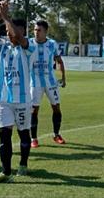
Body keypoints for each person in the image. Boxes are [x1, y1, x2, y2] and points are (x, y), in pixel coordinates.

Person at [0, 1, 33, 183]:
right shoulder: (3, 46)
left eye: (12, 32)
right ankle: (6, 172)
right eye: (7, 32)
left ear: (21, 33)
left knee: (23, 134)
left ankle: (23, 164)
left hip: (23, 100)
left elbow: (17, 36)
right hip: (3, 99)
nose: (8, 34)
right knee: (4, 134)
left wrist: (6, 17)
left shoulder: (28, 47)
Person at [29, 20, 66, 148]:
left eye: (39, 30)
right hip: (35, 82)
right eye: (34, 30)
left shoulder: (52, 44)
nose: (36, 32)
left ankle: (56, 134)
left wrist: (63, 77)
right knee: (34, 110)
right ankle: (33, 138)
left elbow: (59, 61)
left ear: (45, 32)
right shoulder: (29, 43)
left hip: (51, 82)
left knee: (56, 108)